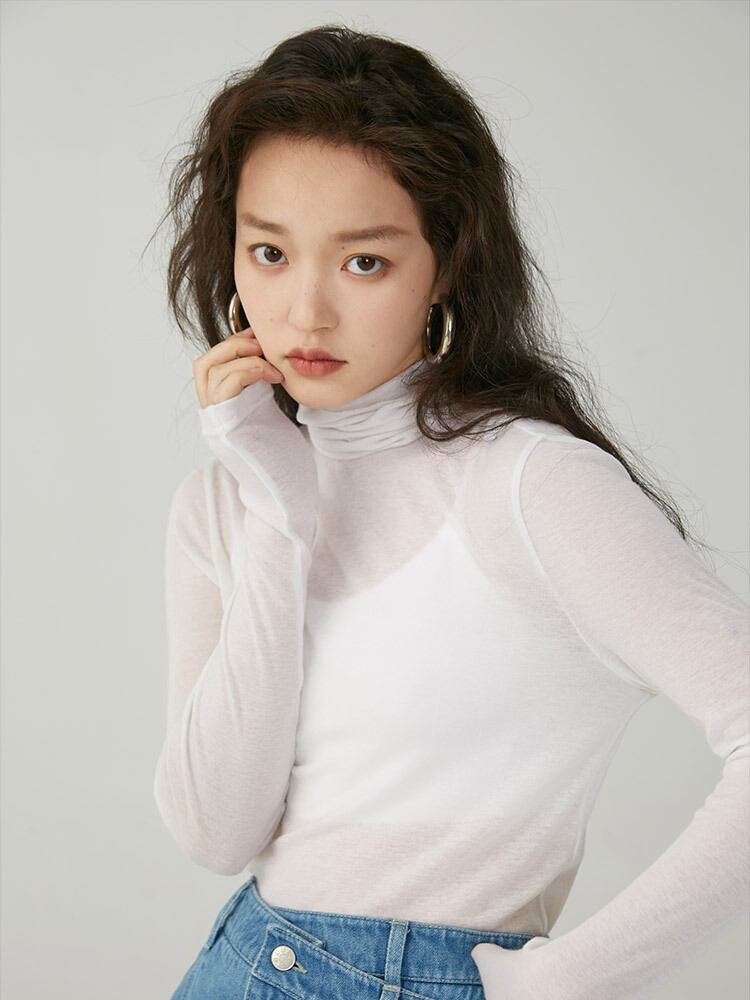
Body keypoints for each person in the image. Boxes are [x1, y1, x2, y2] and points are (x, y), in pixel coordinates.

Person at [150, 23, 749, 1000]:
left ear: (448, 263)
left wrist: (569, 980)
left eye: (365, 262)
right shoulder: (227, 498)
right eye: (269, 251)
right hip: (242, 964)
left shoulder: (529, 483)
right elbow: (217, 831)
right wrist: (279, 521)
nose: (304, 311)